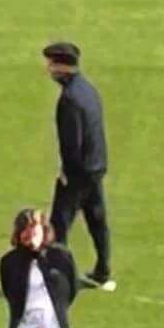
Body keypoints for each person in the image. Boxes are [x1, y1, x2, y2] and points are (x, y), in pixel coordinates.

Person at [43, 40, 113, 287]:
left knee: (59, 224)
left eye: (51, 64)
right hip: (96, 166)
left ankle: (57, 276)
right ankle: (103, 269)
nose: (48, 69)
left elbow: (72, 142)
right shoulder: (87, 89)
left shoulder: (69, 99)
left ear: (61, 66)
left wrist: (66, 174)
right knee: (97, 219)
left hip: (79, 172)